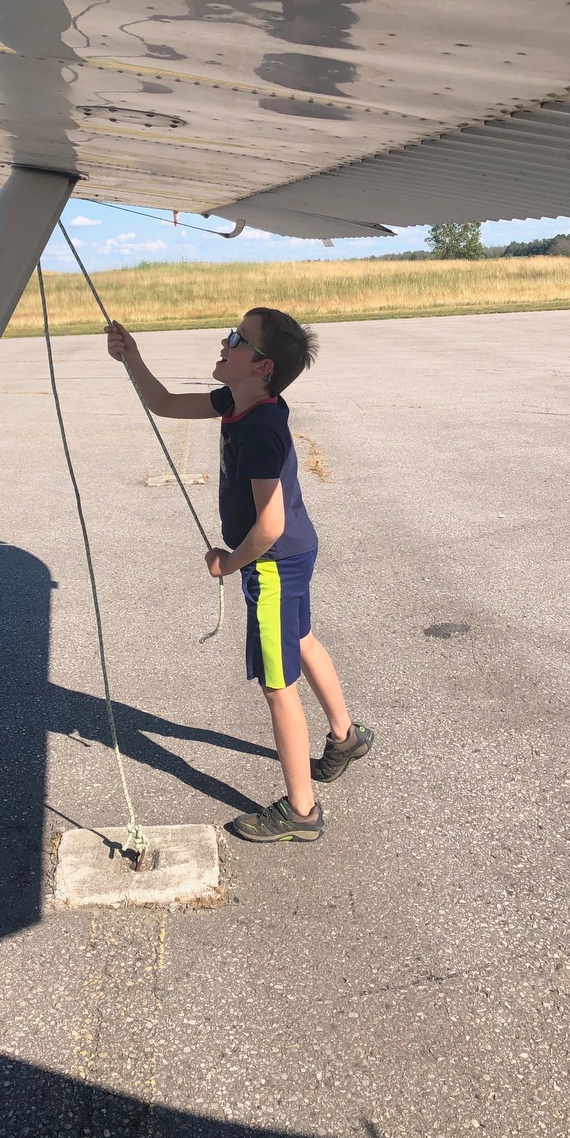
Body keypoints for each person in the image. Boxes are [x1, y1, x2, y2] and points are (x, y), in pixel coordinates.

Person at [105, 308, 373, 844]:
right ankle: (345, 739)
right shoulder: (239, 402)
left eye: (237, 338)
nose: (224, 342)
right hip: (296, 552)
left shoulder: (262, 429)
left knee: (279, 687)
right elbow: (162, 403)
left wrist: (228, 563)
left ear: (262, 365)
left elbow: (268, 525)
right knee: (300, 639)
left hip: (273, 563)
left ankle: (301, 813)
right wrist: (131, 358)